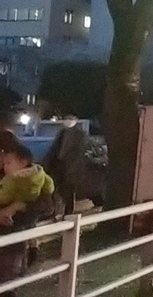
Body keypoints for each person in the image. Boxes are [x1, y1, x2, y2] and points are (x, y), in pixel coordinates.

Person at [0, 143, 56, 294]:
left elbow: (47, 206)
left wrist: (19, 206)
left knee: (7, 285)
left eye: (6, 158)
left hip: (12, 242)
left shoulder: (26, 178)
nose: (4, 164)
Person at [42, 115, 86, 215]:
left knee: (68, 190)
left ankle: (68, 212)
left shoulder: (80, 134)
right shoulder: (62, 133)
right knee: (55, 188)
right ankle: (56, 211)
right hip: (59, 165)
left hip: (70, 167)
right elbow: (54, 149)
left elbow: (77, 154)